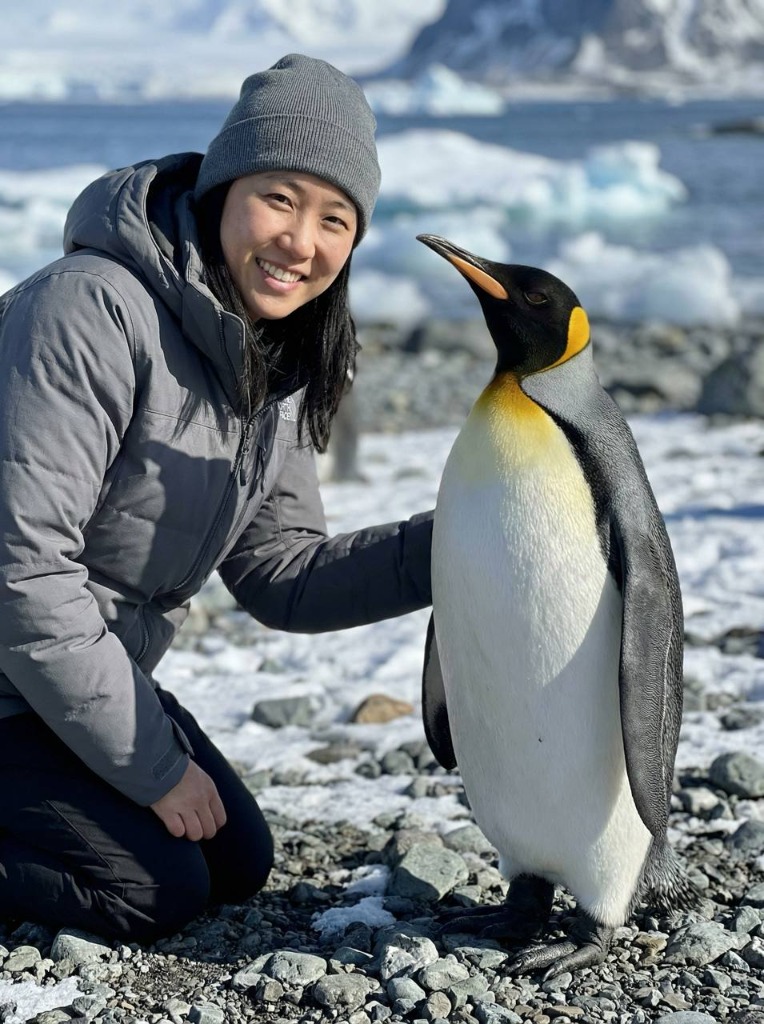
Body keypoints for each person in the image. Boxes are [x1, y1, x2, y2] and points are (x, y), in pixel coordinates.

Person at [0, 54, 433, 944]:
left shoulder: (266, 362)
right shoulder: (88, 311)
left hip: (60, 673)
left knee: (237, 866)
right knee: (148, 892)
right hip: (13, 665)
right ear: (224, 188)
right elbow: (22, 570)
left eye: (335, 219)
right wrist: (155, 768)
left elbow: (284, 574)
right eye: (279, 198)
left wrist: (466, 542)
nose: (301, 242)